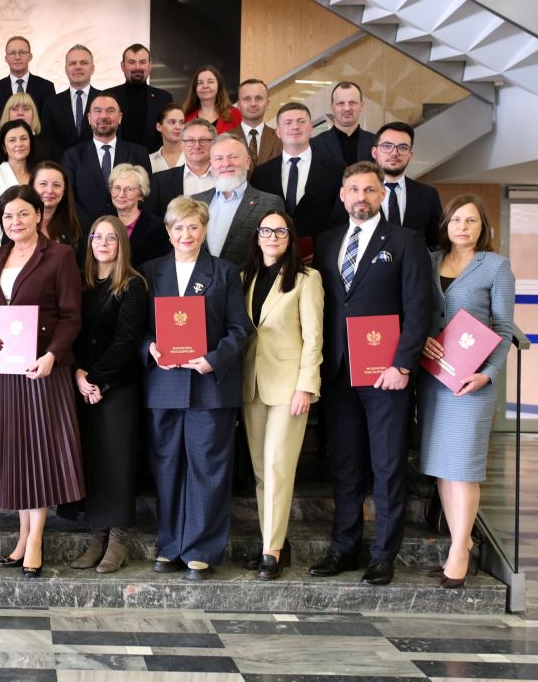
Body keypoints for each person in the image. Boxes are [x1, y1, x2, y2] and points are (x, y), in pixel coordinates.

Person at [309, 161, 431, 586]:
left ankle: (383, 555)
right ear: (343, 196)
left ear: (381, 195)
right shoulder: (326, 241)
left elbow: (419, 309)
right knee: (345, 465)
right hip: (339, 373)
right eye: (354, 190)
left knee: (387, 465)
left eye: (369, 190)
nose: (361, 197)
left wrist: (402, 364)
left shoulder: (406, 241)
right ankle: (344, 548)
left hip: (386, 375)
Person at [141, 196, 253, 580]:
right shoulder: (150, 272)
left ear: (204, 230)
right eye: (179, 227)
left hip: (210, 386)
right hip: (164, 384)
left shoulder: (224, 272)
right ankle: (170, 545)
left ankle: (201, 549)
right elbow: (137, 328)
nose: (186, 234)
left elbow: (240, 329)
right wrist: (149, 348)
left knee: (208, 468)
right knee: (167, 468)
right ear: (168, 231)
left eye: (193, 227)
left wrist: (214, 359)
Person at [0, 186, 85, 578]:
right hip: (7, 370)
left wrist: (52, 355)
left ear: (39, 215)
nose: (16, 222)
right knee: (16, 454)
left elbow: (71, 316)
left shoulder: (59, 255)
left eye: (23, 213)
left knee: (39, 453)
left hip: (43, 369)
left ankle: (36, 539)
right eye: (8, 216)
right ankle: (22, 536)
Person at [419, 194, 514, 588]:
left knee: (464, 468)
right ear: (446, 225)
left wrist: (487, 375)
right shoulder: (429, 260)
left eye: (471, 220)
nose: (463, 227)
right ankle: (462, 540)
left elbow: (504, 330)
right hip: (433, 378)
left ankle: (459, 549)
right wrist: (421, 340)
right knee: (443, 467)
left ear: (482, 227)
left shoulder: (495, 266)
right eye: (456, 219)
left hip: (470, 383)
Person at [239, 210, 323, 581]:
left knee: (277, 467)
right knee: (261, 471)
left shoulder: (306, 279)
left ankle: (271, 551)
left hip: (289, 387)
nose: (272, 237)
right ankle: (270, 541)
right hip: (252, 384)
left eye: (280, 231)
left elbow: (314, 337)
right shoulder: (244, 278)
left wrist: (306, 385)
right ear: (257, 236)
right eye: (266, 231)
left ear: (290, 237)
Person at [70, 215, 148, 574]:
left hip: (118, 387)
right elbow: (72, 332)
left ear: (121, 244)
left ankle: (118, 540)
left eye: (111, 238)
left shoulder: (132, 284)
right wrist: (78, 374)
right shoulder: (80, 282)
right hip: (84, 384)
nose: (103, 243)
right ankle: (96, 537)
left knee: (117, 462)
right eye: (97, 237)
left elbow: (127, 341)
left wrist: (97, 379)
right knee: (92, 461)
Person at [250, 103, 344, 247]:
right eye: (288, 122)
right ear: (278, 132)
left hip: (322, 250)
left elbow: (340, 216)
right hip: (272, 250)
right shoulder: (261, 174)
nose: (295, 127)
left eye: (301, 121)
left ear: (311, 128)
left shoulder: (335, 169)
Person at [191, 133, 284, 267]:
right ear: (211, 164)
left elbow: (277, 256)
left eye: (233, 157)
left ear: (247, 162)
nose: (226, 164)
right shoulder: (194, 201)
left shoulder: (270, 203)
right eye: (218, 158)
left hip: (248, 278)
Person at [63, 92, 153, 228]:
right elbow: (69, 198)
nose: (104, 116)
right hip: (86, 232)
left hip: (130, 231)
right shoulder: (72, 156)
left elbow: (146, 194)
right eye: (97, 111)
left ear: (120, 117)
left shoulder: (138, 153)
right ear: (89, 118)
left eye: (110, 111)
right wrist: (95, 229)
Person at [370, 121, 443, 249]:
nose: (394, 153)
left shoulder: (428, 195)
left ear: (410, 155)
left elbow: (436, 243)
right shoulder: (358, 193)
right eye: (387, 146)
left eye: (402, 147)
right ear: (374, 152)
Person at [0, 120, 37, 253]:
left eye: (24, 138)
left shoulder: (39, 176)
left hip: (37, 247)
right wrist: (16, 245)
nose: (19, 144)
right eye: (12, 140)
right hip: (0, 247)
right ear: (4, 147)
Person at [103, 43, 173, 150]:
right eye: (132, 62)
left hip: (153, 159)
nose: (137, 67)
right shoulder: (107, 97)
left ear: (150, 66)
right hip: (116, 159)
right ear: (122, 66)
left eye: (142, 62)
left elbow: (170, 134)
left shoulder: (164, 98)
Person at [144, 118, 216, 217]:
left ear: (214, 144)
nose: (197, 146)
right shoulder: (159, 181)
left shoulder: (227, 178)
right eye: (190, 140)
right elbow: (151, 220)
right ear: (182, 144)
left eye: (203, 140)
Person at [40, 44, 100, 155]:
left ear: (92, 69)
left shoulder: (105, 100)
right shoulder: (51, 103)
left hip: (98, 164)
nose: (78, 67)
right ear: (66, 70)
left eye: (84, 63)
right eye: (72, 63)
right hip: (61, 164)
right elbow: (47, 142)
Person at [109, 164, 170, 265]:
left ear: (141, 194)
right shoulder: (105, 224)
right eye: (117, 188)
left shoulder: (157, 227)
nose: (121, 194)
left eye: (129, 189)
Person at [310, 81, 375, 166]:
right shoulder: (315, 145)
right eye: (340, 103)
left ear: (361, 106)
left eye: (352, 103)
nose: (347, 108)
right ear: (332, 107)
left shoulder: (376, 143)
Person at [0, 35, 56, 112]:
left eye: (22, 52)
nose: (17, 57)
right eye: (12, 53)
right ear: (6, 58)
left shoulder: (46, 87)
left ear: (30, 57)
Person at [227, 79, 282, 166]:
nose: (253, 104)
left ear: (267, 104)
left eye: (258, 98)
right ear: (238, 105)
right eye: (247, 99)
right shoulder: (225, 139)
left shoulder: (280, 138)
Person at [31, 160, 81, 251]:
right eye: (43, 184)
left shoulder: (76, 225)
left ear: (64, 190)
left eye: (56, 185)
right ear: (32, 187)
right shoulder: (17, 222)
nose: (50, 191)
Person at [0, 91, 59, 164]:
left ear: (33, 114)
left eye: (25, 109)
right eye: (15, 109)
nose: (20, 113)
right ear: (7, 113)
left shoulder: (49, 146)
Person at [182, 65, 241, 134]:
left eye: (210, 81)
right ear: (195, 88)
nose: (205, 86)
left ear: (219, 86)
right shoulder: (186, 118)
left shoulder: (235, 115)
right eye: (200, 82)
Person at [149, 104, 186, 174]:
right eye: (172, 122)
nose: (178, 127)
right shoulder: (149, 160)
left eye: (182, 122)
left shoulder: (195, 156)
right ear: (159, 126)